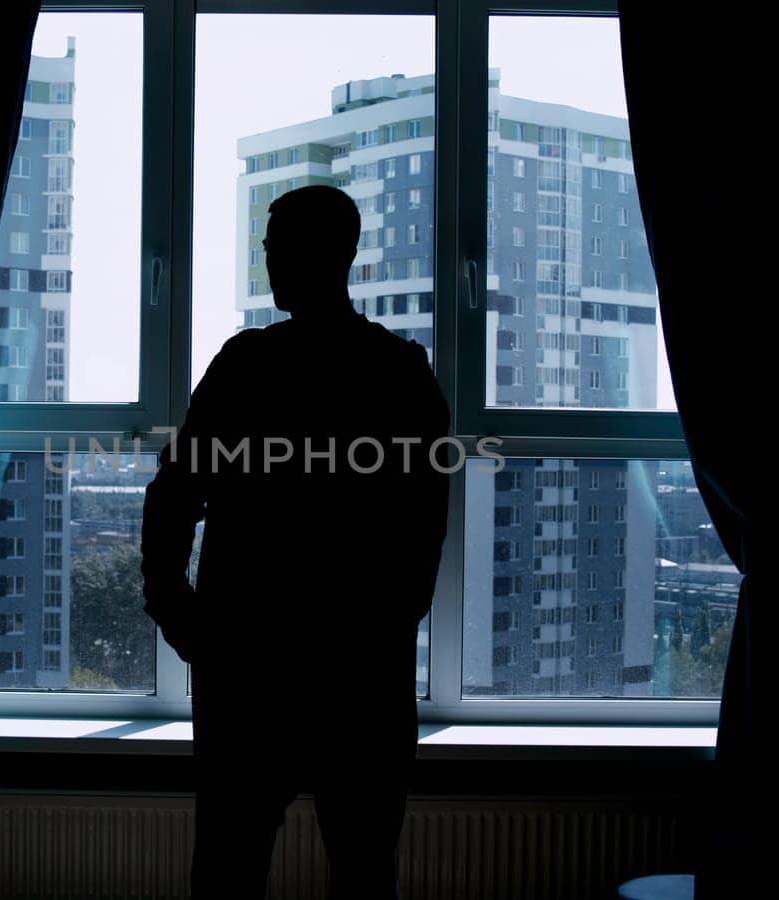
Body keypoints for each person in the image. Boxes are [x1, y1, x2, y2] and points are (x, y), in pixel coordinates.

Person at [140, 185, 451, 898]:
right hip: (360, 677)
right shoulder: (399, 372)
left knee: (228, 872)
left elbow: (174, 496)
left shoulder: (247, 365)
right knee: (364, 874)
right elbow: (421, 537)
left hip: (249, 670)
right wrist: (378, 632)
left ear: (322, 255)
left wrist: (182, 616)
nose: (269, 264)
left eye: (277, 249)